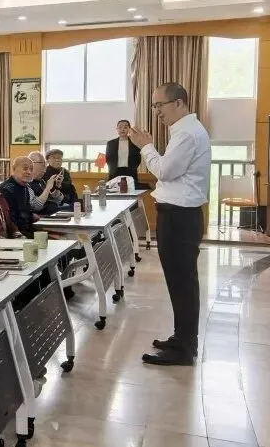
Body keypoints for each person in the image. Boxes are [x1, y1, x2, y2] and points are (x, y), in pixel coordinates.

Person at [128, 82, 211, 366]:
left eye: (159, 105)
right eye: (154, 106)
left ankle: (184, 348)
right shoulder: (185, 130)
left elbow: (165, 171)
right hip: (179, 215)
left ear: (178, 103)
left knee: (182, 283)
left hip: (179, 217)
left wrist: (146, 146)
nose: (156, 111)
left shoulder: (187, 133)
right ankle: (182, 338)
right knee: (180, 282)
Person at [0, 157, 59, 238]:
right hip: (17, 234)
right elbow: (10, 219)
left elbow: (27, 212)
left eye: (31, 169)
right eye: (25, 168)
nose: (29, 172)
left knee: (61, 236)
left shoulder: (24, 187)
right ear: (14, 169)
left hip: (29, 229)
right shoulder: (7, 189)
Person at [106, 119, 142, 184]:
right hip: (115, 171)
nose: (122, 129)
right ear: (117, 129)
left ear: (129, 129)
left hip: (130, 171)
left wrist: (133, 168)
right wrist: (112, 168)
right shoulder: (111, 143)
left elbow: (138, 158)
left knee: (130, 188)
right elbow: (108, 158)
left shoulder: (134, 142)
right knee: (114, 189)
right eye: (120, 127)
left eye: (125, 127)